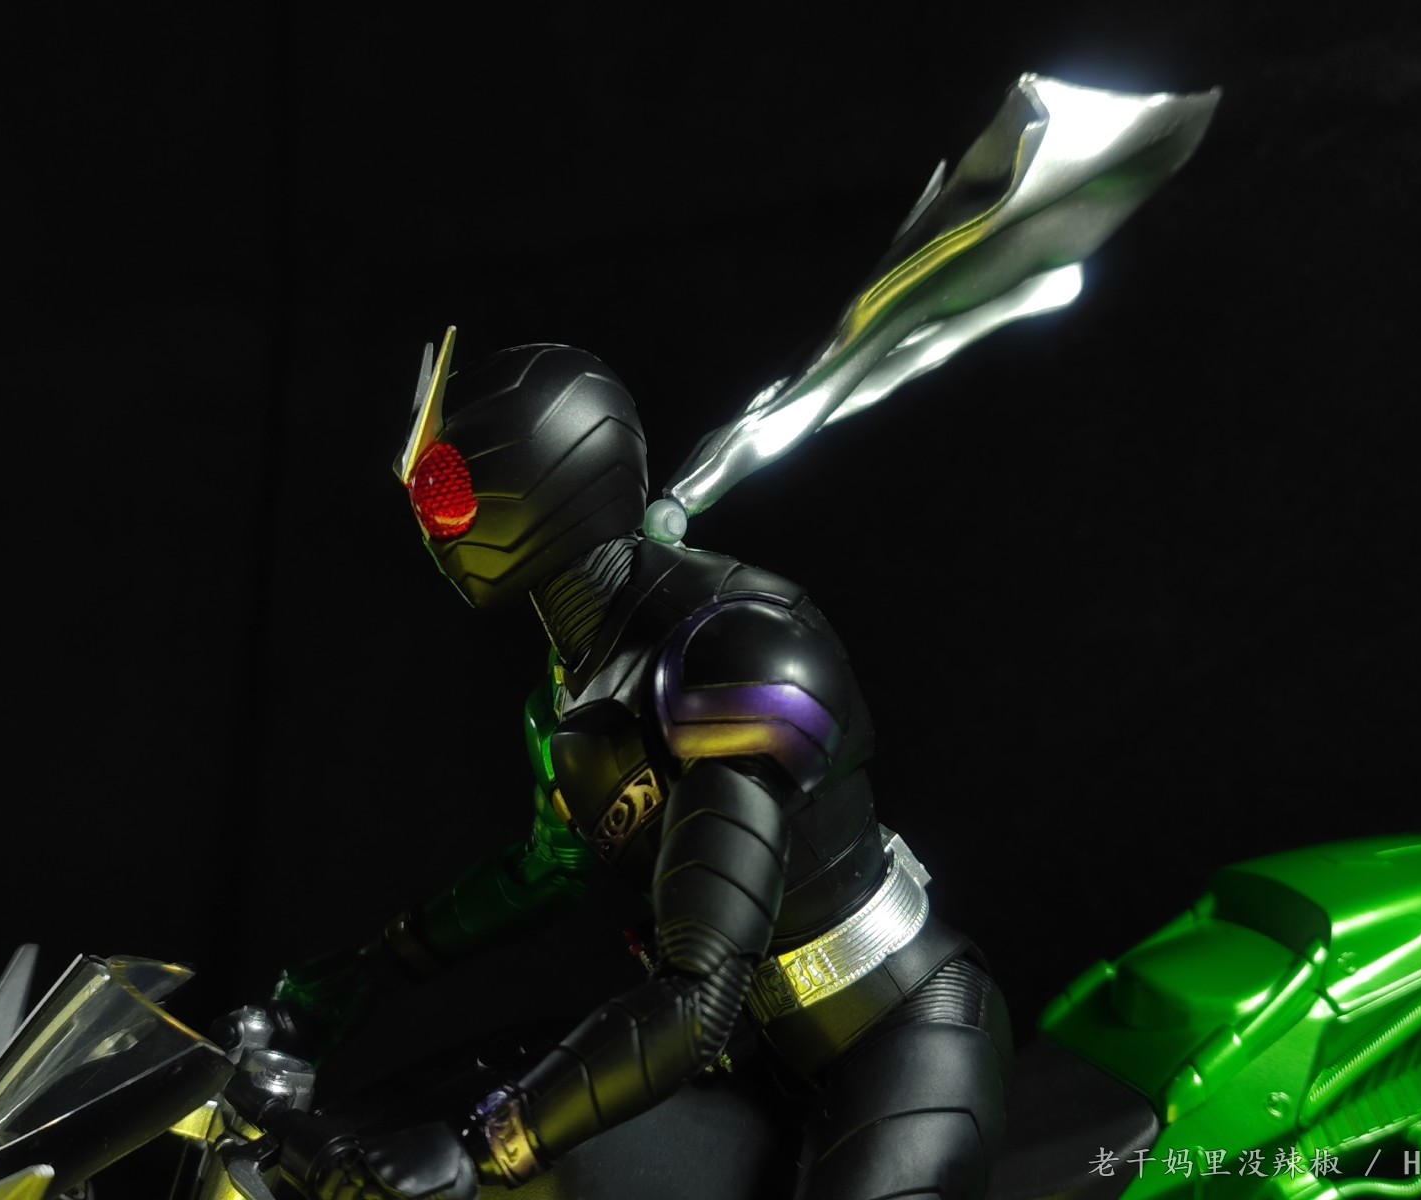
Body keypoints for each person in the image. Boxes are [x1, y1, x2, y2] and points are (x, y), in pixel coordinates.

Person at [261, 341, 1013, 1200]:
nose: (435, 526)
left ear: (539, 486)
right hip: (749, 1063)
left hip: (897, 1031)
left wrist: (482, 1146)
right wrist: (367, 972)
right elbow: (548, 870)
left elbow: (698, 997)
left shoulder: (737, 651)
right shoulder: (563, 704)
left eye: (447, 491)